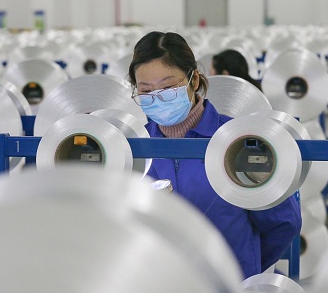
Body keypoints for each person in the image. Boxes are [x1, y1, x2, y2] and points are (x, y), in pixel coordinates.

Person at [128, 31, 301, 278]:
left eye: (168, 87)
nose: (158, 97)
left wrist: (243, 267)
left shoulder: (239, 142)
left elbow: (283, 222)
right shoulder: (134, 150)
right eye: (146, 91)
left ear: (194, 80)